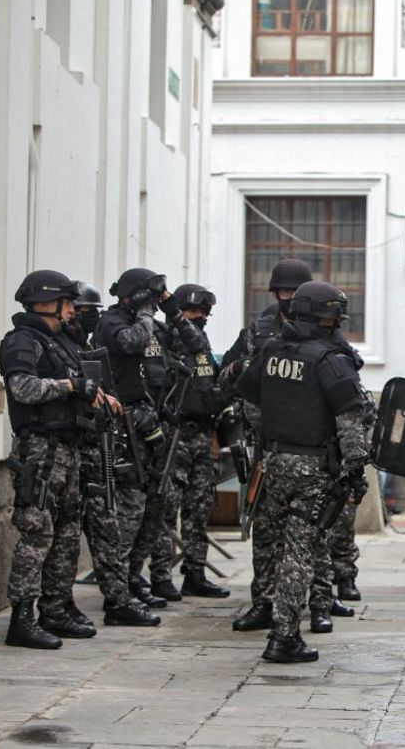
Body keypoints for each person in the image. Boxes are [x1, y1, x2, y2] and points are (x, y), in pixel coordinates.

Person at [235, 281, 373, 663]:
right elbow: (350, 420)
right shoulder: (330, 359)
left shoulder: (272, 350)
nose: (336, 322)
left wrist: (272, 438)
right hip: (313, 468)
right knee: (300, 552)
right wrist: (355, 469)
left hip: (274, 464)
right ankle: (284, 637)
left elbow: (249, 399)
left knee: (278, 548)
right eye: (332, 315)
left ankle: (276, 617)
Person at [0, 272, 105, 647]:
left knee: (67, 532)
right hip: (39, 450)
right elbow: (22, 388)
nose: (74, 309)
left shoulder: (61, 342)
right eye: (67, 302)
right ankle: (22, 619)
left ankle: (56, 609)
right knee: (37, 532)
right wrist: (71, 386)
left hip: (68, 447)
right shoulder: (22, 342)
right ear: (46, 302)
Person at [93, 268, 197, 610]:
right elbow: (131, 342)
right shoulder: (112, 322)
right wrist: (147, 312)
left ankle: (134, 576)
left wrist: (171, 309)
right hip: (124, 427)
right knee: (130, 511)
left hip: (153, 423)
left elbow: (195, 344)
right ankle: (118, 587)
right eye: (151, 295)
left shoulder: (153, 323)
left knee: (156, 507)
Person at [65, 283, 160, 627]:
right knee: (64, 534)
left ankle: (117, 599)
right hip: (65, 449)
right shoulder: (51, 345)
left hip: (97, 444)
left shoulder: (79, 344)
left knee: (106, 524)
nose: (85, 315)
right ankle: (56, 605)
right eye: (78, 308)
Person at [148, 284, 229, 600]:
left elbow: (211, 384)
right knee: (166, 510)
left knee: (199, 509)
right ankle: (159, 576)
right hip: (174, 436)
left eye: (206, 312)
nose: (202, 317)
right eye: (195, 311)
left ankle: (195, 571)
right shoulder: (166, 340)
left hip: (202, 435)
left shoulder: (201, 342)